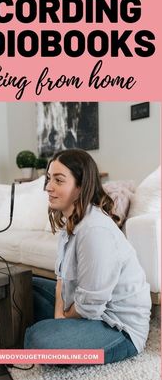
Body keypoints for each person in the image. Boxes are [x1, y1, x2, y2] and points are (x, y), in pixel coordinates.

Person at [24, 149, 152, 365]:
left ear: (80, 187)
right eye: (48, 179)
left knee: (38, 340)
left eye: (58, 180)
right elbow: (61, 281)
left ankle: (42, 337)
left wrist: (61, 321)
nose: (48, 187)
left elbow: (90, 306)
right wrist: (60, 318)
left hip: (118, 328)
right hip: (87, 310)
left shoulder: (95, 230)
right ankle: (54, 332)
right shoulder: (72, 224)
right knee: (22, 286)